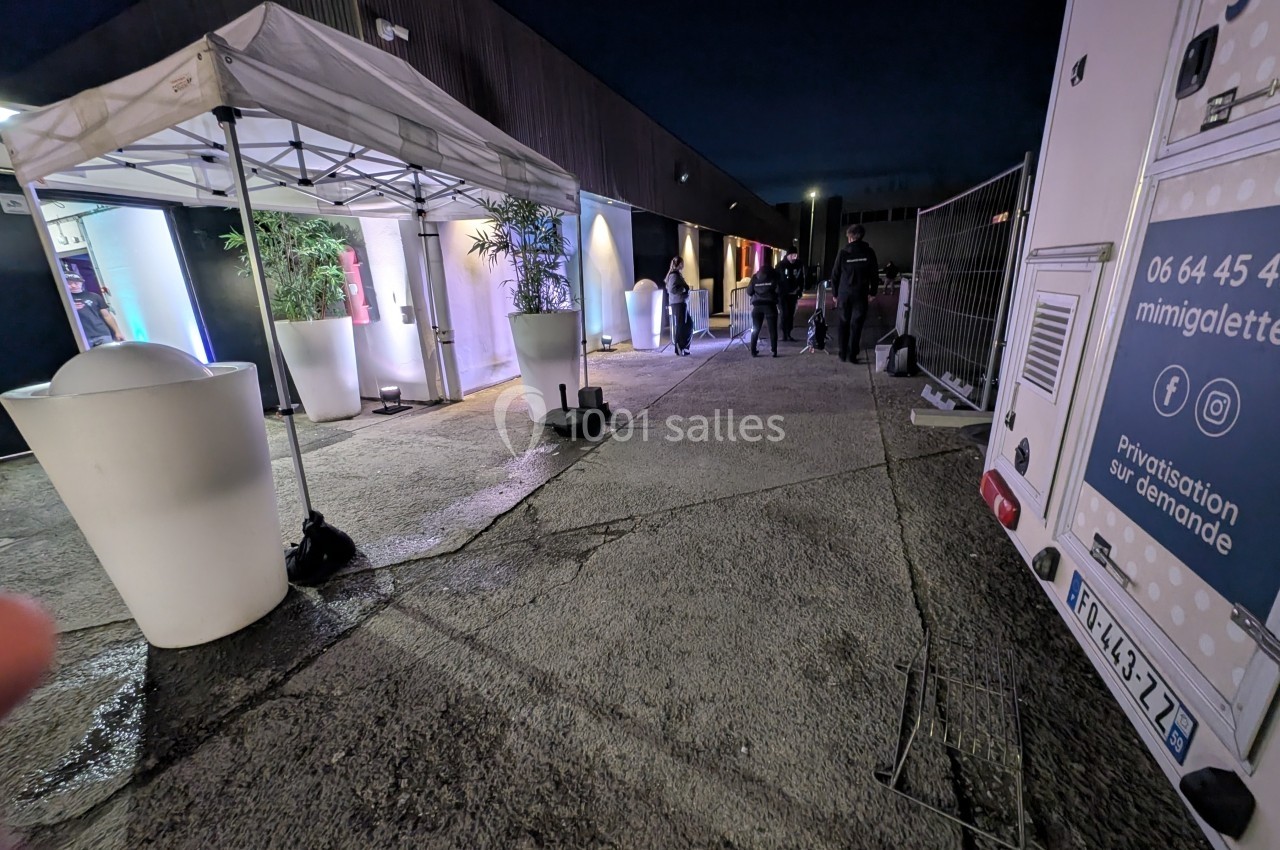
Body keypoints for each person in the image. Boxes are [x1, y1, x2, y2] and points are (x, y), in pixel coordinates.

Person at [828, 224, 879, 364]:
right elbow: (874, 274)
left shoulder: (843, 253)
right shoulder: (869, 252)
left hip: (844, 294)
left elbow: (835, 274)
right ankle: (852, 354)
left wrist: (835, 293)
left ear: (850, 237)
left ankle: (842, 353)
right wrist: (873, 292)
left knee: (843, 322)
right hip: (861, 294)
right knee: (856, 324)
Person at [66, 273, 123, 347]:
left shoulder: (94, 296)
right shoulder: (64, 299)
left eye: (76, 283)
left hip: (101, 333)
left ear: (82, 283)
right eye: (69, 283)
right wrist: (71, 309)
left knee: (109, 356)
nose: (73, 285)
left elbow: (107, 316)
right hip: (81, 337)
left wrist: (117, 331)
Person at [747, 255, 781, 357]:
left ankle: (753, 351)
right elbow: (778, 290)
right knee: (772, 329)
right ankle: (774, 351)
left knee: (755, 329)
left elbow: (749, 291)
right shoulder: (774, 276)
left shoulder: (755, 277)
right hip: (770, 306)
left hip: (756, 307)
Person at [664, 257, 692, 356]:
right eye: (682, 263)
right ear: (679, 264)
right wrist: (684, 290)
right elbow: (672, 289)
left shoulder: (676, 274)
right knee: (682, 326)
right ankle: (679, 348)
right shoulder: (674, 275)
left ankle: (685, 347)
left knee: (688, 324)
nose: (683, 265)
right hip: (678, 303)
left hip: (681, 303)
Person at [777, 248, 806, 341]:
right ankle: (784, 333)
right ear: (788, 255)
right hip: (782, 294)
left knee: (790, 314)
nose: (794, 257)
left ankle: (788, 333)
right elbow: (777, 278)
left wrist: (800, 290)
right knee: (784, 314)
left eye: (795, 255)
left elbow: (801, 278)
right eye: (792, 255)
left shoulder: (799, 265)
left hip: (793, 294)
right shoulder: (781, 265)